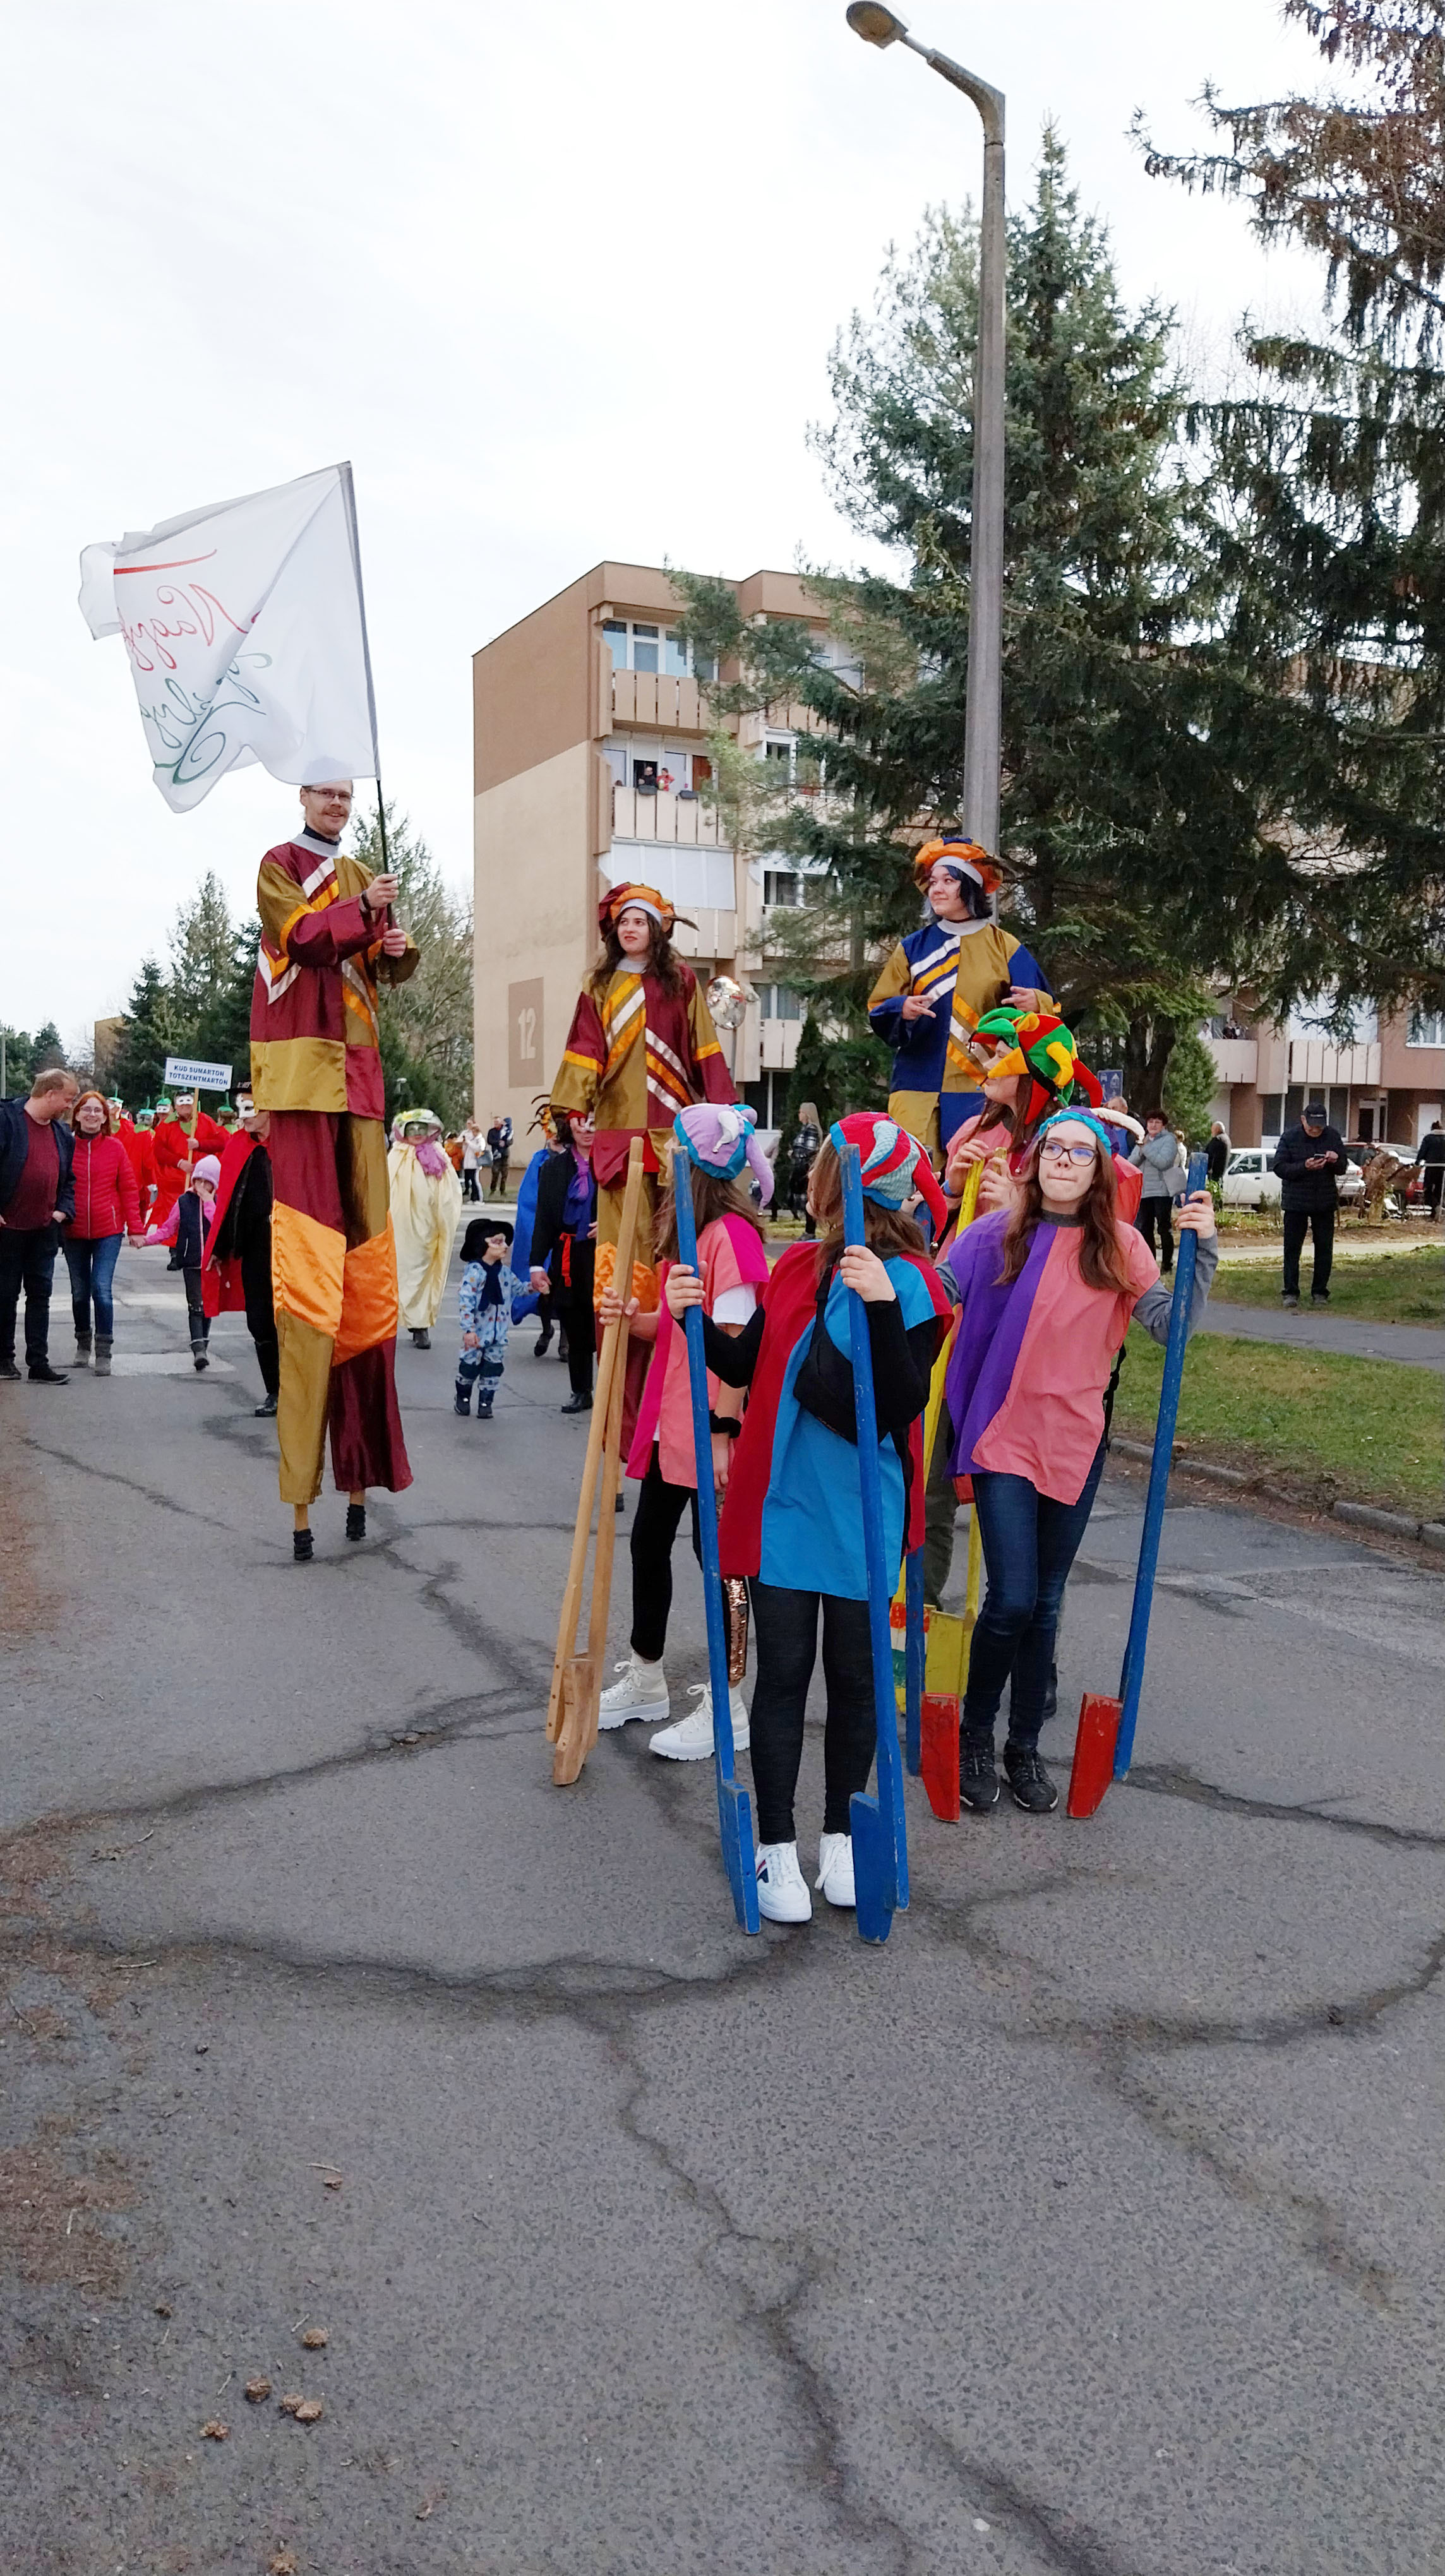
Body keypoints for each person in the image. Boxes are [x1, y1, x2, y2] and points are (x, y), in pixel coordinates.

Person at [671, 1112, 951, 1924]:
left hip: (862, 1509)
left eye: (822, 1167)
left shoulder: (917, 1283)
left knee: (857, 1681)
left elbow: (900, 1401)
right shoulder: (796, 1265)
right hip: (783, 1502)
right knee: (785, 1676)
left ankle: (839, 1837)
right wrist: (693, 1316)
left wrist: (877, 1305)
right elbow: (742, 1362)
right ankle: (774, 1847)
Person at [942, 1111, 1218, 1815]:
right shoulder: (994, 1235)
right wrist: (889, 1263)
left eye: (1080, 1152)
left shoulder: (1121, 1246)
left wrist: (1203, 1251)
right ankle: (974, 1736)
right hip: (1003, 1436)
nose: (1064, 1160)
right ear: (1036, 1161)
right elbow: (931, 1293)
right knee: (1011, 1597)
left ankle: (1023, 1746)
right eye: (1054, 1149)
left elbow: (1170, 1327)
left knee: (1044, 1602)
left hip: (1074, 1442)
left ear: (1099, 1171)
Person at [249, 778, 420, 1559]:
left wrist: (396, 950)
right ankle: (301, 1490)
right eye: (325, 794)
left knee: (366, 1279)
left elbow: (378, 967)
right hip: (300, 1078)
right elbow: (304, 938)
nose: (338, 806)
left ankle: (362, 1470)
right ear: (303, 798)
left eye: (346, 796)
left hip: (359, 1078)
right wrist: (364, 913)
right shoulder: (278, 864)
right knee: (310, 1278)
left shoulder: (359, 877)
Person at [596, 1102, 774, 1757]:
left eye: (675, 1158)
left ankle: (730, 1702)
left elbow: (736, 1347)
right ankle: (646, 1677)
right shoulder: (694, 1235)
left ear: (694, 1167)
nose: (666, 1171)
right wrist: (632, 1317)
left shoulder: (731, 1237)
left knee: (720, 1563)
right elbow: (679, 1329)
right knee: (648, 1543)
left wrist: (724, 1431)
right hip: (674, 1422)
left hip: (709, 1427)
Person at [550, 881, 734, 1308]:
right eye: (623, 922)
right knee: (620, 1236)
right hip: (618, 1125)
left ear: (657, 929)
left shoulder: (681, 980)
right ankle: (621, 1324)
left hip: (674, 1124)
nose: (629, 929)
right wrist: (576, 1105)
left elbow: (703, 1042)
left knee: (674, 1226)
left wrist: (723, 1107)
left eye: (639, 921)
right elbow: (585, 1046)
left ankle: (672, 1320)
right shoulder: (598, 984)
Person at [866, 839, 1050, 1159]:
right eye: (933, 881)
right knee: (911, 1173)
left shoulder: (1006, 947)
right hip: (916, 1086)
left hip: (983, 1087)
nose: (936, 889)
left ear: (971, 887)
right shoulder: (912, 948)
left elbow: (1047, 1017)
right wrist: (901, 1009)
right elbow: (878, 1008)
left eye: (948, 881)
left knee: (974, 1174)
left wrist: (1037, 1003)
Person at [0, 1068, 79, 1382]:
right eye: (68, 1099)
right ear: (50, 1094)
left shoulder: (61, 1134)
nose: (69, 1106)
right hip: (7, 1229)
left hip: (44, 1229)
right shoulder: (7, 1121)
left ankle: (38, 1363)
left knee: (40, 1296)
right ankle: (4, 1359)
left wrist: (63, 1210)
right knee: (5, 1295)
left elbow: (69, 1180)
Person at [204, 1090, 279, 1415]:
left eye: (250, 1109)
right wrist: (220, 1246)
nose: (242, 1116)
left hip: (292, 1246)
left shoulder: (291, 1146)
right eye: (240, 1109)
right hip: (254, 1245)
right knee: (259, 1320)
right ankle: (275, 1390)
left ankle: (303, 1391)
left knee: (293, 1320)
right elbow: (229, 1200)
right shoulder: (238, 1145)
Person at [61, 1088, 141, 1373]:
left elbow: (129, 1189)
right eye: (87, 1109)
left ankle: (104, 1350)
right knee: (79, 1292)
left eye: (98, 1110)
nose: (92, 1115)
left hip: (108, 1230)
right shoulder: (66, 1145)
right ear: (77, 1115)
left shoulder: (115, 1148)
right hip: (73, 1230)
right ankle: (83, 1343)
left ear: (106, 1117)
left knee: (101, 1289)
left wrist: (136, 1227)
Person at [529, 1109, 601, 1411]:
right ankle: (581, 1390)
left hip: (605, 1253)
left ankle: (615, 1395)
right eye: (580, 1123)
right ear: (569, 1125)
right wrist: (536, 1265)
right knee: (575, 1322)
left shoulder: (616, 1164)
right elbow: (544, 1218)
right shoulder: (554, 1168)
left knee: (606, 1323)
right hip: (569, 1254)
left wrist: (611, 1223)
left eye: (594, 1123)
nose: (587, 1129)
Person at [388, 1110, 464, 1349]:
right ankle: (396, 1321)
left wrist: (444, 1216)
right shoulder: (397, 1156)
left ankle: (421, 1325)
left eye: (422, 1129)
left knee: (426, 1272)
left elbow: (450, 1190)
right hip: (402, 1226)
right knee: (402, 1271)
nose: (417, 1134)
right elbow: (386, 1187)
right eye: (411, 1129)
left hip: (430, 1226)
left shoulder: (438, 1154)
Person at [145, 1154, 222, 1368]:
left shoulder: (218, 1203)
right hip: (191, 1261)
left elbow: (218, 1226)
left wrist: (209, 1202)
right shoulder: (184, 1201)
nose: (201, 1186)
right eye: (198, 1180)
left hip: (212, 1262)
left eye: (207, 1182)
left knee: (207, 1307)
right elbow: (168, 1228)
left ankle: (203, 1343)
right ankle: (198, 1349)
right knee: (196, 1306)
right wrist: (146, 1240)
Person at [1273, 1098, 1346, 1306]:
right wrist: (1304, 1166)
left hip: (1324, 1201)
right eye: (1312, 1126)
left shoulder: (1333, 1136)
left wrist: (1334, 1161)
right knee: (1292, 1249)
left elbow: (1342, 1167)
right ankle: (1290, 1292)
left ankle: (1320, 1292)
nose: (1315, 1130)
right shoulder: (1289, 1137)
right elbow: (1279, 1167)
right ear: (1303, 1120)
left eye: (1320, 1127)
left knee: (1324, 1249)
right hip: (1295, 1202)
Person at [455, 1217, 519, 1418]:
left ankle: (486, 1402)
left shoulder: (505, 1273)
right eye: (498, 1242)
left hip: (498, 1334)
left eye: (505, 1242)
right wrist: (468, 1329)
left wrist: (535, 1287)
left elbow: (518, 1288)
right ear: (483, 1245)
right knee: (469, 1366)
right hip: (477, 1332)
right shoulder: (475, 1273)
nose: (505, 1246)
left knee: (493, 1367)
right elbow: (466, 1302)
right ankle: (463, 1397)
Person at [1130, 1112, 1185, 1275]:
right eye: (1151, 1122)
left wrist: (1145, 1149)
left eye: (1157, 1122)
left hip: (1162, 1191)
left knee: (1164, 1228)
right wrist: (1142, 1149)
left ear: (1163, 1125)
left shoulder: (1169, 1140)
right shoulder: (1143, 1140)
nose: (1153, 1125)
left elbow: (1163, 1162)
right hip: (1144, 1191)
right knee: (1145, 1229)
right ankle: (1150, 1265)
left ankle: (1167, 1265)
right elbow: (1131, 1162)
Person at [784, 1102, 822, 1231]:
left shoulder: (811, 1129)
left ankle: (810, 1230)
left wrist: (794, 1154)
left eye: (801, 1112)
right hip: (800, 1167)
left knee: (807, 1199)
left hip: (805, 1168)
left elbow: (810, 1149)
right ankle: (808, 1229)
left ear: (807, 1114)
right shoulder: (805, 1129)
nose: (799, 1115)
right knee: (802, 1198)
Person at [120, 1104, 157, 1232]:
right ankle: (137, 1231)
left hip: (128, 1176)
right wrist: (152, 1180)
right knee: (142, 1207)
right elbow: (149, 1161)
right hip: (142, 1178)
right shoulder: (149, 1135)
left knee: (129, 1205)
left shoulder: (129, 1133)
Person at [1414, 1120, 1444, 1221]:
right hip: (1444, 1168)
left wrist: (1418, 1162)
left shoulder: (1428, 1138)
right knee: (1439, 1191)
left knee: (1427, 1190)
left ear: (1432, 1128)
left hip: (1431, 1167)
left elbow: (1423, 1151)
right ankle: (1435, 1213)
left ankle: (1436, 1207)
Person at [486, 1112, 513, 1200]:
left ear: (501, 1122)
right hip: (496, 1155)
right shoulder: (492, 1131)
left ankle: (503, 1191)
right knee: (495, 1173)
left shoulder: (506, 1130)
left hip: (505, 1155)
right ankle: (493, 1190)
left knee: (505, 1173)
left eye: (497, 1122)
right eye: (495, 1122)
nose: (496, 1123)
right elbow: (489, 1141)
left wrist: (505, 1143)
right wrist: (498, 1143)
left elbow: (511, 1141)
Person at [460, 1118, 485, 1203]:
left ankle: (479, 1199)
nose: (473, 1133)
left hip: (475, 1163)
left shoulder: (480, 1140)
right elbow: (465, 1151)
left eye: (475, 1132)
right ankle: (473, 1198)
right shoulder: (471, 1139)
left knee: (476, 1181)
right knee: (471, 1182)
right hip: (468, 1163)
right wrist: (465, 1145)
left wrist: (469, 1143)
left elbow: (479, 1149)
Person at [1206, 1121, 1231, 1186]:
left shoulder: (1218, 1139)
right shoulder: (1227, 1139)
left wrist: (1208, 1169)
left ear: (1217, 1129)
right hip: (1221, 1174)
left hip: (1214, 1175)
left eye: (1212, 1129)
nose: (1212, 1132)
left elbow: (1209, 1155)